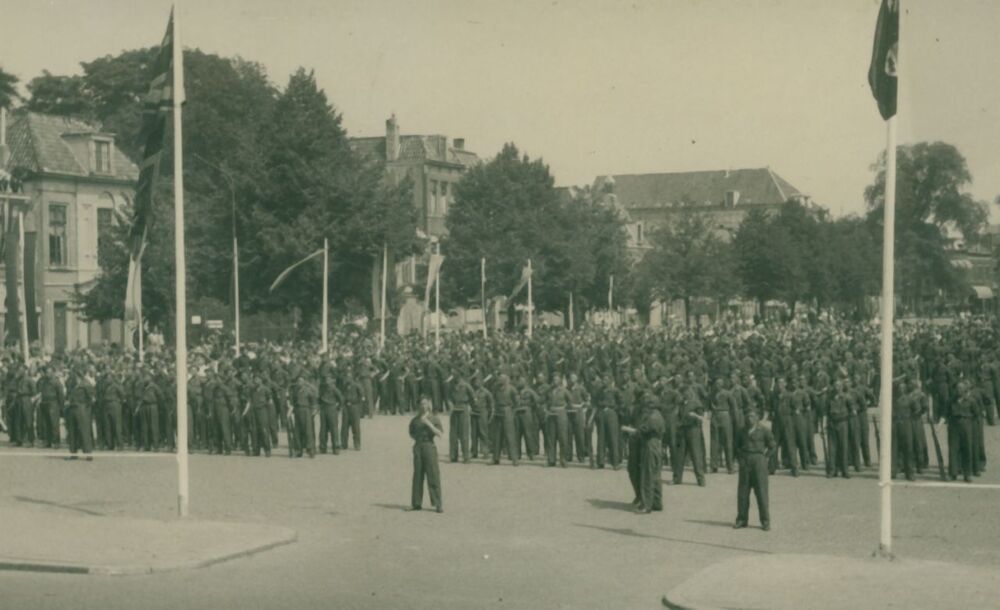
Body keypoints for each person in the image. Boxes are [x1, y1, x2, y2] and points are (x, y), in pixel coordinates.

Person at [734, 409, 775, 531]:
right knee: (743, 492)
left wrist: (765, 458)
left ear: (757, 417)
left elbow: (772, 446)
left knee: (761, 492)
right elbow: (736, 446)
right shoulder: (741, 431)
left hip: (758, 462)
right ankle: (742, 519)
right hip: (745, 461)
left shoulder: (764, 430)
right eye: (747, 416)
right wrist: (740, 459)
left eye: (752, 416)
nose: (749, 419)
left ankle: (765, 521)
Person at [409, 398, 443, 512]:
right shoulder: (415, 420)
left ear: (429, 405)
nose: (423, 406)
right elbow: (411, 433)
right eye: (421, 404)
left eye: (426, 404)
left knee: (433, 474)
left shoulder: (434, 419)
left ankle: (438, 503)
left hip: (429, 446)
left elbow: (440, 434)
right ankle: (416, 503)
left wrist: (428, 424)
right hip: (418, 446)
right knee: (417, 475)